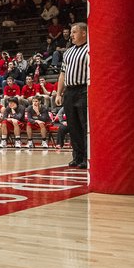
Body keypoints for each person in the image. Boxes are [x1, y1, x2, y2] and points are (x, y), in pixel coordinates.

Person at [57, 22, 90, 169]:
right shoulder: (68, 52)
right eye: (71, 32)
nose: (71, 35)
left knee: (84, 125)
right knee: (73, 125)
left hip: (84, 89)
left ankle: (86, 157)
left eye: (74, 32)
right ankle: (76, 156)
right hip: (70, 91)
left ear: (84, 33)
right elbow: (62, 73)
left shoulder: (90, 49)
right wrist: (59, 93)